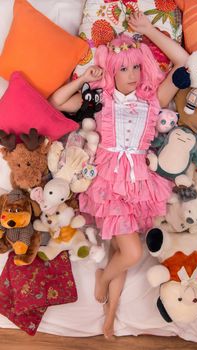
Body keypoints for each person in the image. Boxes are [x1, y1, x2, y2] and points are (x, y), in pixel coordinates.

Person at [49, 12, 189, 340]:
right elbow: (56, 101)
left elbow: (185, 65)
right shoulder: (102, 100)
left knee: (121, 254)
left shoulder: (152, 100)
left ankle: (109, 317)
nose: (132, 74)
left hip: (140, 184)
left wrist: (148, 30)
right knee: (132, 253)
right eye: (123, 68)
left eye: (136, 66)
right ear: (112, 71)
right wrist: (84, 78)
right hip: (108, 184)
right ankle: (101, 280)